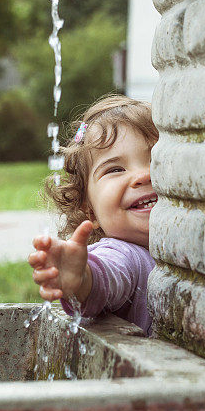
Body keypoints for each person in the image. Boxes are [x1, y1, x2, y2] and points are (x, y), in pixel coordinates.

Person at [28, 95, 158, 335]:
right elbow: (107, 277)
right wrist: (82, 277)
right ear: (89, 210)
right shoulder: (125, 255)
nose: (143, 175)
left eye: (156, 159)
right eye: (116, 169)